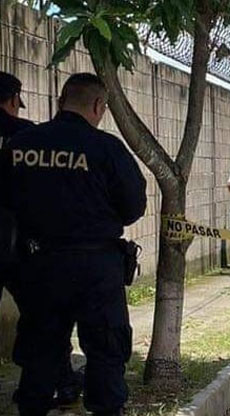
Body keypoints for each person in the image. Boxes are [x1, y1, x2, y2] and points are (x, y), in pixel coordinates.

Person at [0, 73, 147, 416]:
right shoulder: (106, 148)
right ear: (98, 105)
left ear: (61, 98)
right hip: (97, 267)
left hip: (38, 264)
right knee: (106, 352)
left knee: (40, 352)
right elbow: (133, 207)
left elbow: (4, 201)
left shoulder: (20, 145)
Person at [0, 71, 85, 410]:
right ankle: (60, 383)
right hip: (16, 243)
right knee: (46, 318)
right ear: (11, 101)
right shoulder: (28, 137)